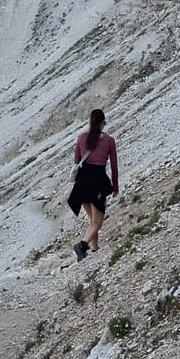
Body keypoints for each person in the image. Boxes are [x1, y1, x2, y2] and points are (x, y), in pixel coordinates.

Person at [69, 109, 122, 260]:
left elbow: (76, 162)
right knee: (98, 222)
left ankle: (94, 248)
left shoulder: (80, 138)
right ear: (101, 123)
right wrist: (115, 187)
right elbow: (114, 166)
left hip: (82, 182)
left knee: (92, 218)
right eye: (104, 123)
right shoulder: (109, 141)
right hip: (98, 180)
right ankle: (82, 245)